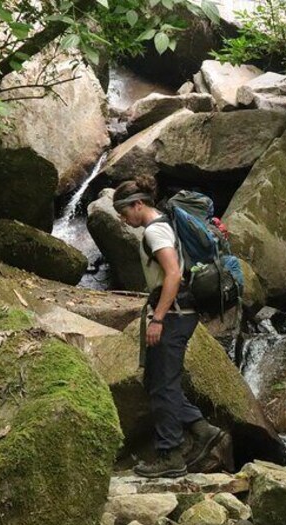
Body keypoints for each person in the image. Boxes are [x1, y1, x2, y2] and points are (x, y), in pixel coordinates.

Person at [113, 176, 223, 478]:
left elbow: (173, 274)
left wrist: (158, 318)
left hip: (174, 314)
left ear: (138, 204)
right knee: (155, 381)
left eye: (124, 213)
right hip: (177, 311)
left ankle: (170, 454)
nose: (123, 220)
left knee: (163, 385)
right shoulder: (162, 226)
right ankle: (201, 430)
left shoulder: (156, 231)